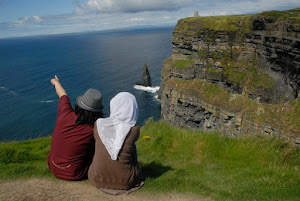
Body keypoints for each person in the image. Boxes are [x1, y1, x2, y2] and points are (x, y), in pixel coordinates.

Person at [47, 75, 104, 181]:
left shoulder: (65, 113)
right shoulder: (94, 129)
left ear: (79, 106)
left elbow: (62, 95)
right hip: (74, 173)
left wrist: (56, 82)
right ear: (97, 112)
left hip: (53, 166)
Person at [88, 92, 143, 195]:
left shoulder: (99, 124)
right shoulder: (134, 130)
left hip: (96, 178)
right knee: (131, 147)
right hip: (125, 182)